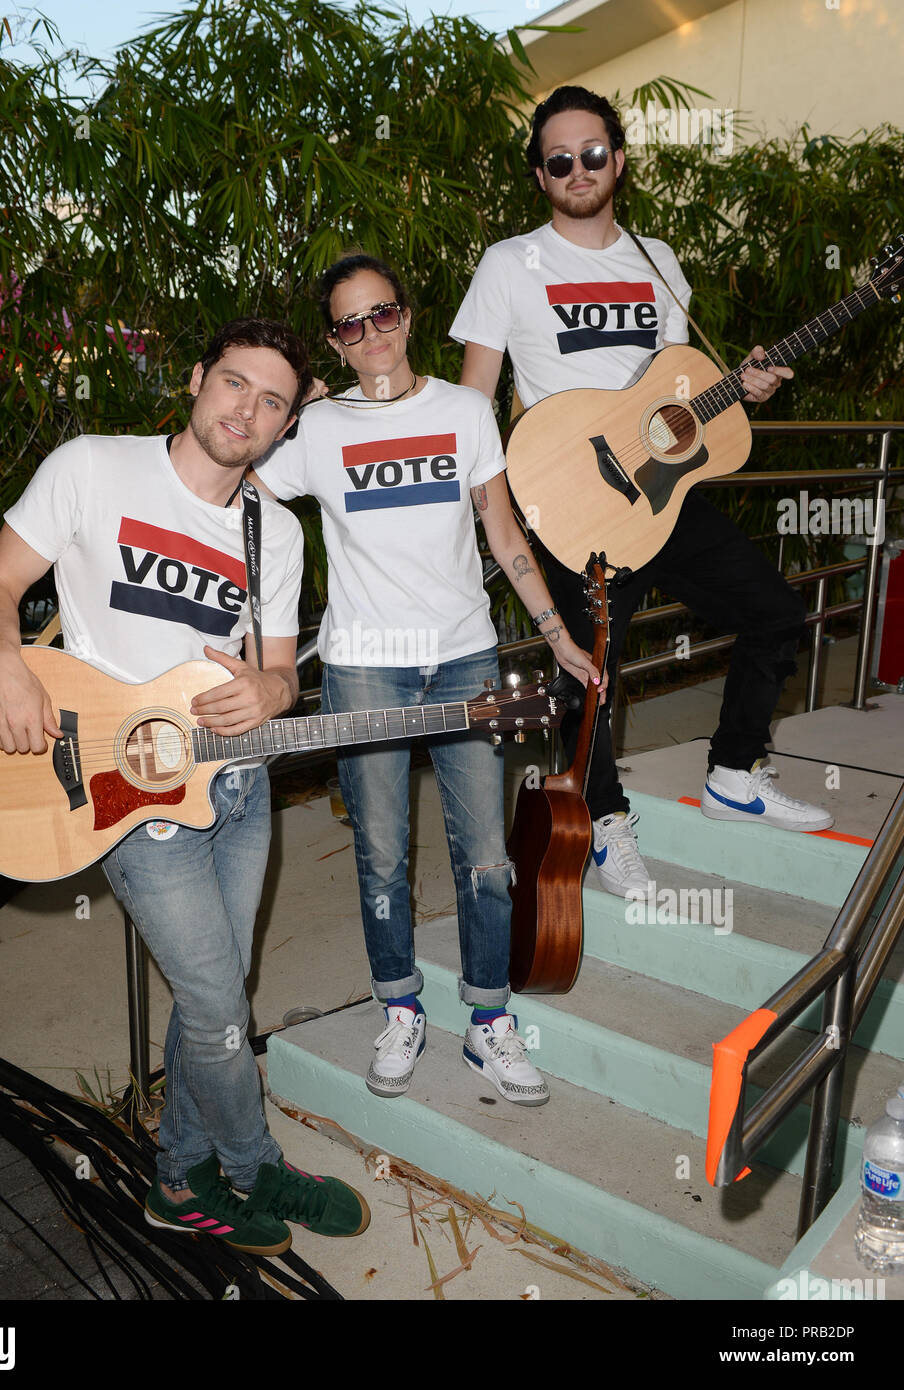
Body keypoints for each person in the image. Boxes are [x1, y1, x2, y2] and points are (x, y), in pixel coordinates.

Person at [0, 318, 370, 1256]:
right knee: (222, 1002)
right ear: (196, 379)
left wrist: (273, 686)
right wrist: (6, 663)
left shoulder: (276, 530)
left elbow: (280, 676)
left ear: (287, 423)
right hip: (127, 795)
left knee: (218, 990)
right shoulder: (92, 467)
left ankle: (178, 1181)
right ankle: (252, 1160)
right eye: (234, 383)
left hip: (236, 788)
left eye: (272, 401)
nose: (247, 410)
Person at [452, 85, 834, 899]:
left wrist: (745, 387)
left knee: (775, 612)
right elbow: (471, 403)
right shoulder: (508, 264)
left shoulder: (658, 259)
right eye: (560, 160)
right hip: (570, 495)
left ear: (618, 161)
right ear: (541, 176)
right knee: (588, 674)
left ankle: (735, 772)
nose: (579, 169)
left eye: (593, 153)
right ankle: (603, 824)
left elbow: (680, 389)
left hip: (663, 493)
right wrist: (497, 511)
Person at [253, 255, 604, 1106]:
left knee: (486, 855)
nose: (371, 334)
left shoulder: (464, 410)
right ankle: (400, 1008)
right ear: (335, 345)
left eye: (383, 315)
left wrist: (556, 637)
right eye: (349, 324)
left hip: (464, 657)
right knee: (380, 855)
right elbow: (239, 490)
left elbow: (504, 531)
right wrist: (286, 410)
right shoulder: (322, 430)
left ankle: (488, 1022)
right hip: (365, 666)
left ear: (407, 317)